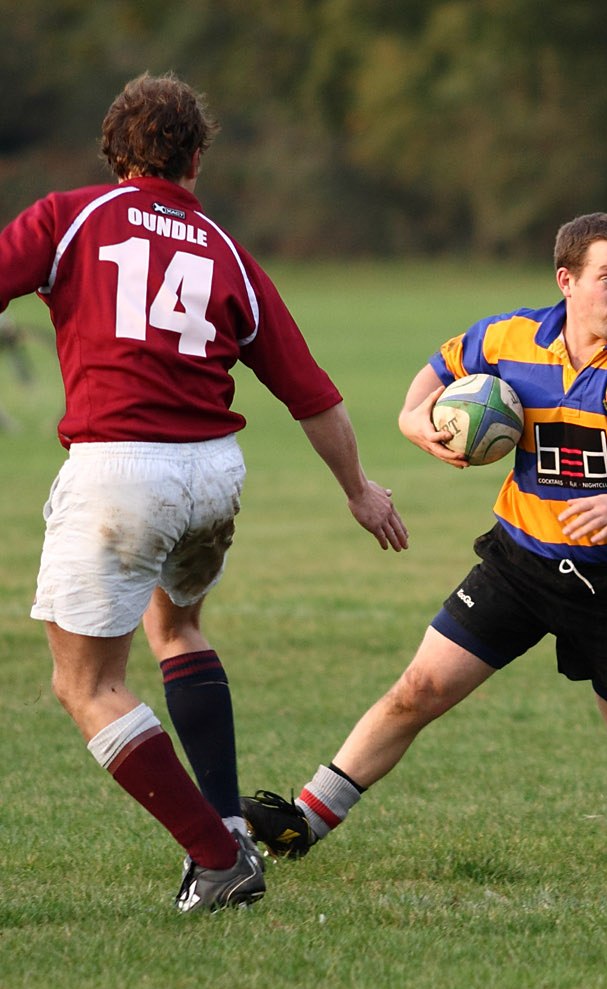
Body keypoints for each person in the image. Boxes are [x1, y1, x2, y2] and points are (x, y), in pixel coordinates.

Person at [0, 72, 409, 911]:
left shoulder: (68, 216)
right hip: (212, 474)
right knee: (176, 626)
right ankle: (228, 824)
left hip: (121, 474)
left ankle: (218, 860)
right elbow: (312, 393)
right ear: (196, 159)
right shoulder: (225, 250)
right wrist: (360, 490)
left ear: (114, 152)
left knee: (85, 685)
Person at [239, 212, 607, 861]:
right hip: (520, 561)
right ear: (566, 280)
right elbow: (441, 366)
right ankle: (305, 821)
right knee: (419, 689)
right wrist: (412, 418)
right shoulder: (509, 338)